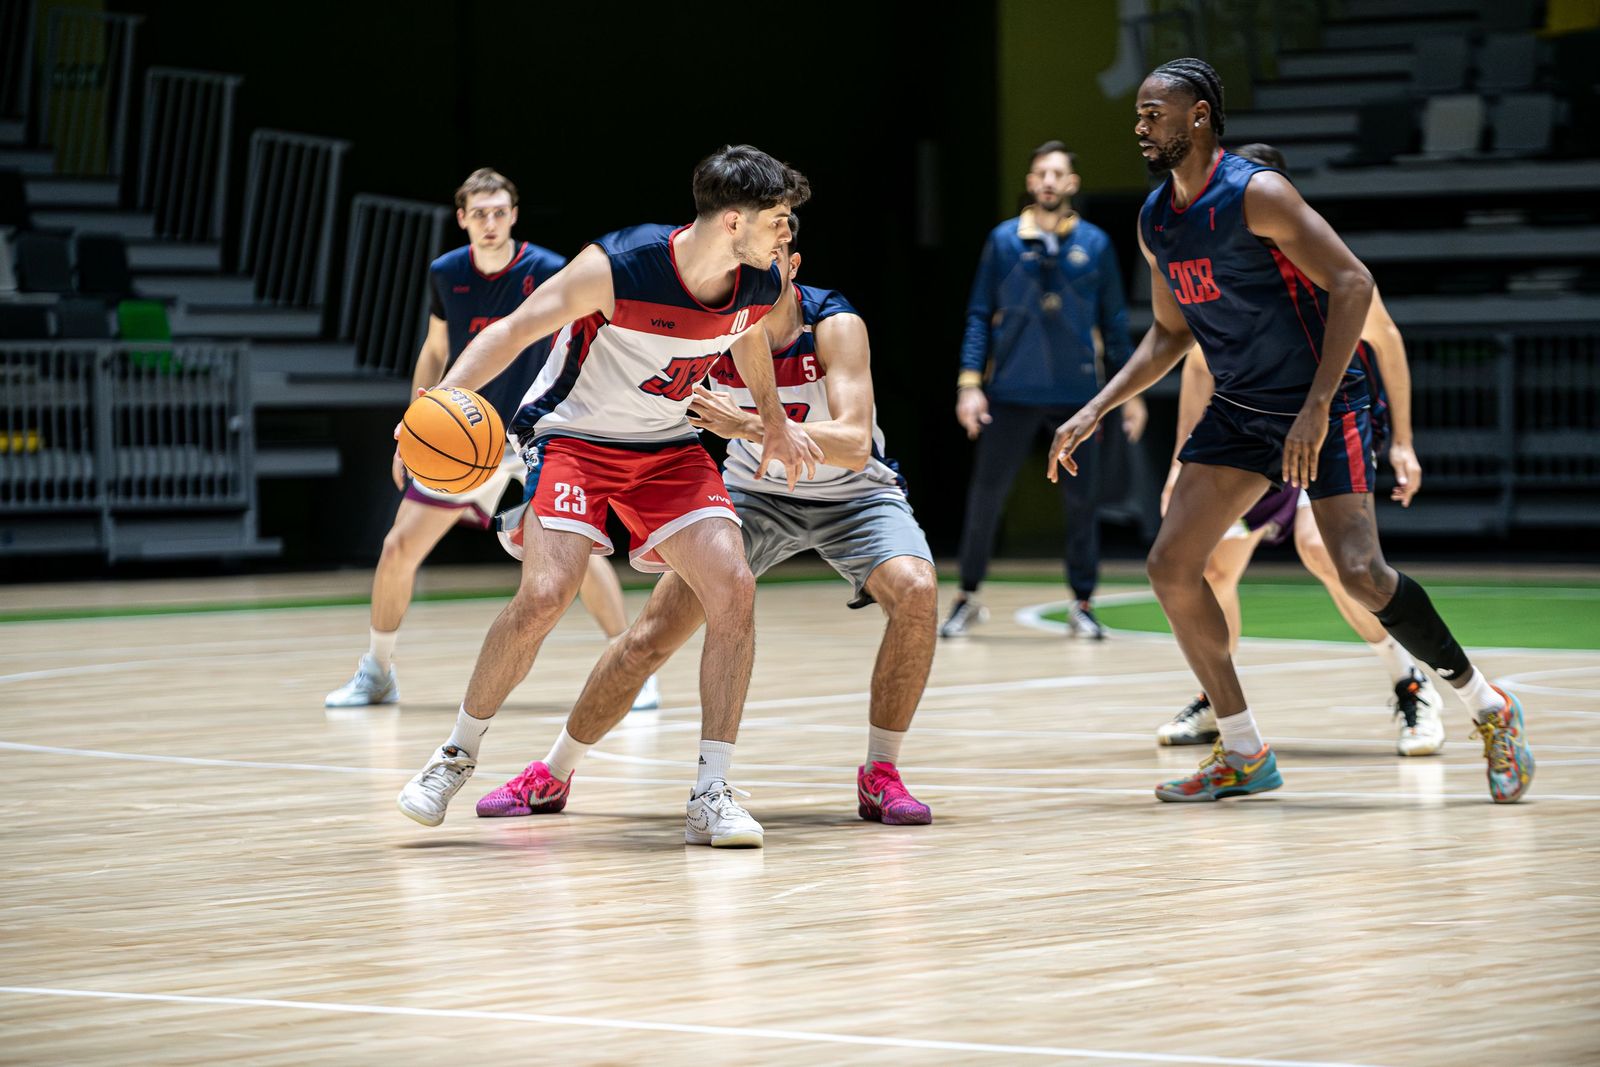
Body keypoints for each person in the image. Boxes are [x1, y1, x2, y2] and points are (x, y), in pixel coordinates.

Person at [1048, 59, 1533, 803]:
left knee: (1359, 571)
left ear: (1200, 115)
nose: (1140, 125)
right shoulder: (1156, 220)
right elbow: (1170, 334)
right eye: (1140, 114)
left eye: (1154, 113)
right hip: (1242, 409)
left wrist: (1316, 406)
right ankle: (1242, 748)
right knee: (1172, 566)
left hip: (1325, 405)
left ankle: (1487, 706)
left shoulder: (1259, 194)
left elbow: (1355, 284)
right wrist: (1095, 407)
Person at [396, 145, 821, 847]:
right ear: (735, 221)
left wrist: (772, 418)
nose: (788, 233)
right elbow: (511, 330)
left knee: (734, 586)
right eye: (779, 219)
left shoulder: (761, 278)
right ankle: (455, 754)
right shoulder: (618, 265)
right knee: (543, 597)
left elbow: (748, 335)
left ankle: (711, 791)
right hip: (575, 439)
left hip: (667, 450)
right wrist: (446, 396)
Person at [474, 214, 938, 827]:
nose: (754, 270)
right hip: (754, 494)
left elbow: (854, 443)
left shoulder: (834, 324)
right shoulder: (714, 324)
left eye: (773, 257)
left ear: (791, 266)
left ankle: (881, 772)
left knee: (918, 590)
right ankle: (552, 773)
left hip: (855, 495)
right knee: (649, 637)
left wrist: (750, 425)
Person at [324, 168, 660, 713]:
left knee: (572, 557)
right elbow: (435, 353)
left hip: (523, 446)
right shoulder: (446, 272)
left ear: (514, 215)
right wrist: (414, 425)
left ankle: (630, 669)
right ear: (462, 218)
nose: (490, 222)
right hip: (461, 447)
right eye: (479, 213)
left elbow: (583, 345)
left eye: (499, 211)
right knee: (397, 548)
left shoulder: (549, 269)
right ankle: (377, 672)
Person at [1152, 143, 1444, 757]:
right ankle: (1218, 701)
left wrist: (1406, 444)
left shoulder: (1318, 268)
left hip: (1319, 427)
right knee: (1208, 567)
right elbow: (1199, 367)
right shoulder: (1222, 266)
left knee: (1330, 556)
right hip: (1247, 430)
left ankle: (1409, 681)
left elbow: (1386, 342)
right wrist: (1181, 458)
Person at [942, 140, 1145, 640]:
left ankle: (1083, 601)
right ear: (1031, 183)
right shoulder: (1004, 241)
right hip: (1009, 391)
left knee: (1081, 503)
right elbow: (976, 318)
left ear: (1073, 184)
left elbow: (1115, 325)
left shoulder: (1095, 244)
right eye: (1041, 174)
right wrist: (971, 386)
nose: (1049, 181)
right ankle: (967, 595)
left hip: (1078, 396)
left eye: (1058, 173)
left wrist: (1130, 395)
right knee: (986, 497)